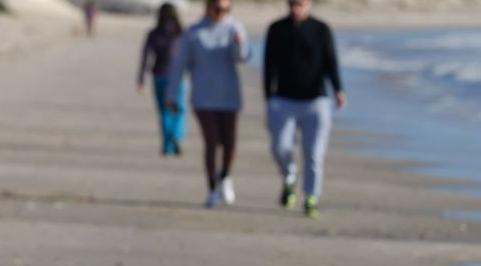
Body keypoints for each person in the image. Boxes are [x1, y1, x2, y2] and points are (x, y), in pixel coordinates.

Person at [263, 0, 345, 219]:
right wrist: (268, 97)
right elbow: (269, 63)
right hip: (283, 99)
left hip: (316, 100)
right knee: (279, 147)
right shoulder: (277, 28)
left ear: (309, 4)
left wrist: (338, 89)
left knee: (314, 153)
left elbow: (331, 61)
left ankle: (311, 196)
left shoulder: (321, 29)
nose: (295, 9)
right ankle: (289, 176)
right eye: (292, 4)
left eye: (299, 4)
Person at [167, 0, 249, 208]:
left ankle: (226, 176)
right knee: (212, 142)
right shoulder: (194, 33)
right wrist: (171, 95)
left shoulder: (235, 28)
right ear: (208, 7)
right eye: (218, 8)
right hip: (203, 98)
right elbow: (179, 66)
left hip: (230, 96)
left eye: (226, 10)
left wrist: (239, 45)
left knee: (229, 143)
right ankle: (212, 189)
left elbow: (243, 58)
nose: (221, 13)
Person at [137, 3, 186, 157]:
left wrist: (141, 79)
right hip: (178, 77)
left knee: (164, 111)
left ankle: (167, 145)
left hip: (159, 76)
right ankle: (176, 136)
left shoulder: (154, 33)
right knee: (178, 109)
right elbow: (189, 57)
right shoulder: (180, 33)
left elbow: (146, 58)